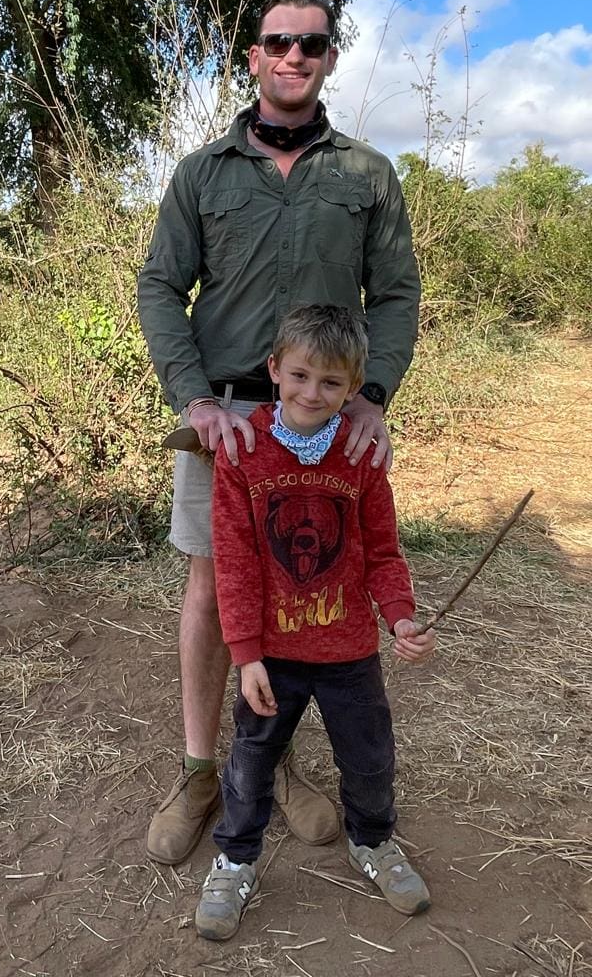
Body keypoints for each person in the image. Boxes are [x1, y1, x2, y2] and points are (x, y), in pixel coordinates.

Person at [137, 0, 421, 865]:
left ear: (330, 56)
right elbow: (159, 288)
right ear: (253, 57)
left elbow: (399, 294)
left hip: (329, 423)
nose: (294, 55)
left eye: (312, 42)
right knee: (215, 592)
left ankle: (277, 764)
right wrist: (194, 397)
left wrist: (372, 396)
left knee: (310, 584)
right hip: (227, 423)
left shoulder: (368, 175)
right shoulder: (201, 174)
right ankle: (197, 772)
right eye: (278, 42)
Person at [194, 303, 435, 940]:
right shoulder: (243, 453)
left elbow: (383, 551)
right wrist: (245, 653)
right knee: (250, 761)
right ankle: (235, 860)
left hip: (350, 650)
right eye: (299, 375)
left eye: (331, 383)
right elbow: (236, 563)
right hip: (271, 656)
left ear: (354, 389)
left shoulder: (363, 456)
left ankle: (374, 843)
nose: (312, 392)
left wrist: (400, 617)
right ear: (274, 370)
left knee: (371, 758)